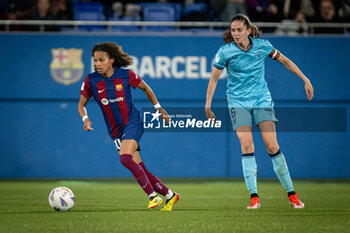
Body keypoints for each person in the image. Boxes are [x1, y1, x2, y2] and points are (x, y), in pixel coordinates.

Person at [205, 14, 314, 209]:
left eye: (239, 29)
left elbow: (285, 61)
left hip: (261, 99)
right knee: (247, 145)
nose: (235, 33)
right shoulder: (225, 51)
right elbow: (214, 79)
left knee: (272, 146)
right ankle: (254, 197)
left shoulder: (262, 46)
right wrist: (207, 105)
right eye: (233, 30)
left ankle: (292, 194)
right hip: (238, 102)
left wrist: (305, 79)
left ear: (248, 30)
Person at [78, 42, 179, 211]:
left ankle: (152, 197)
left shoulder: (126, 75)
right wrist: (85, 119)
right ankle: (170, 195)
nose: (97, 64)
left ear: (111, 60)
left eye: (101, 60)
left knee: (125, 158)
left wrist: (158, 108)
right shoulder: (90, 80)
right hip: (115, 130)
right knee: (140, 168)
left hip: (133, 122)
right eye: (95, 60)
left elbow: (146, 88)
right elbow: (81, 105)